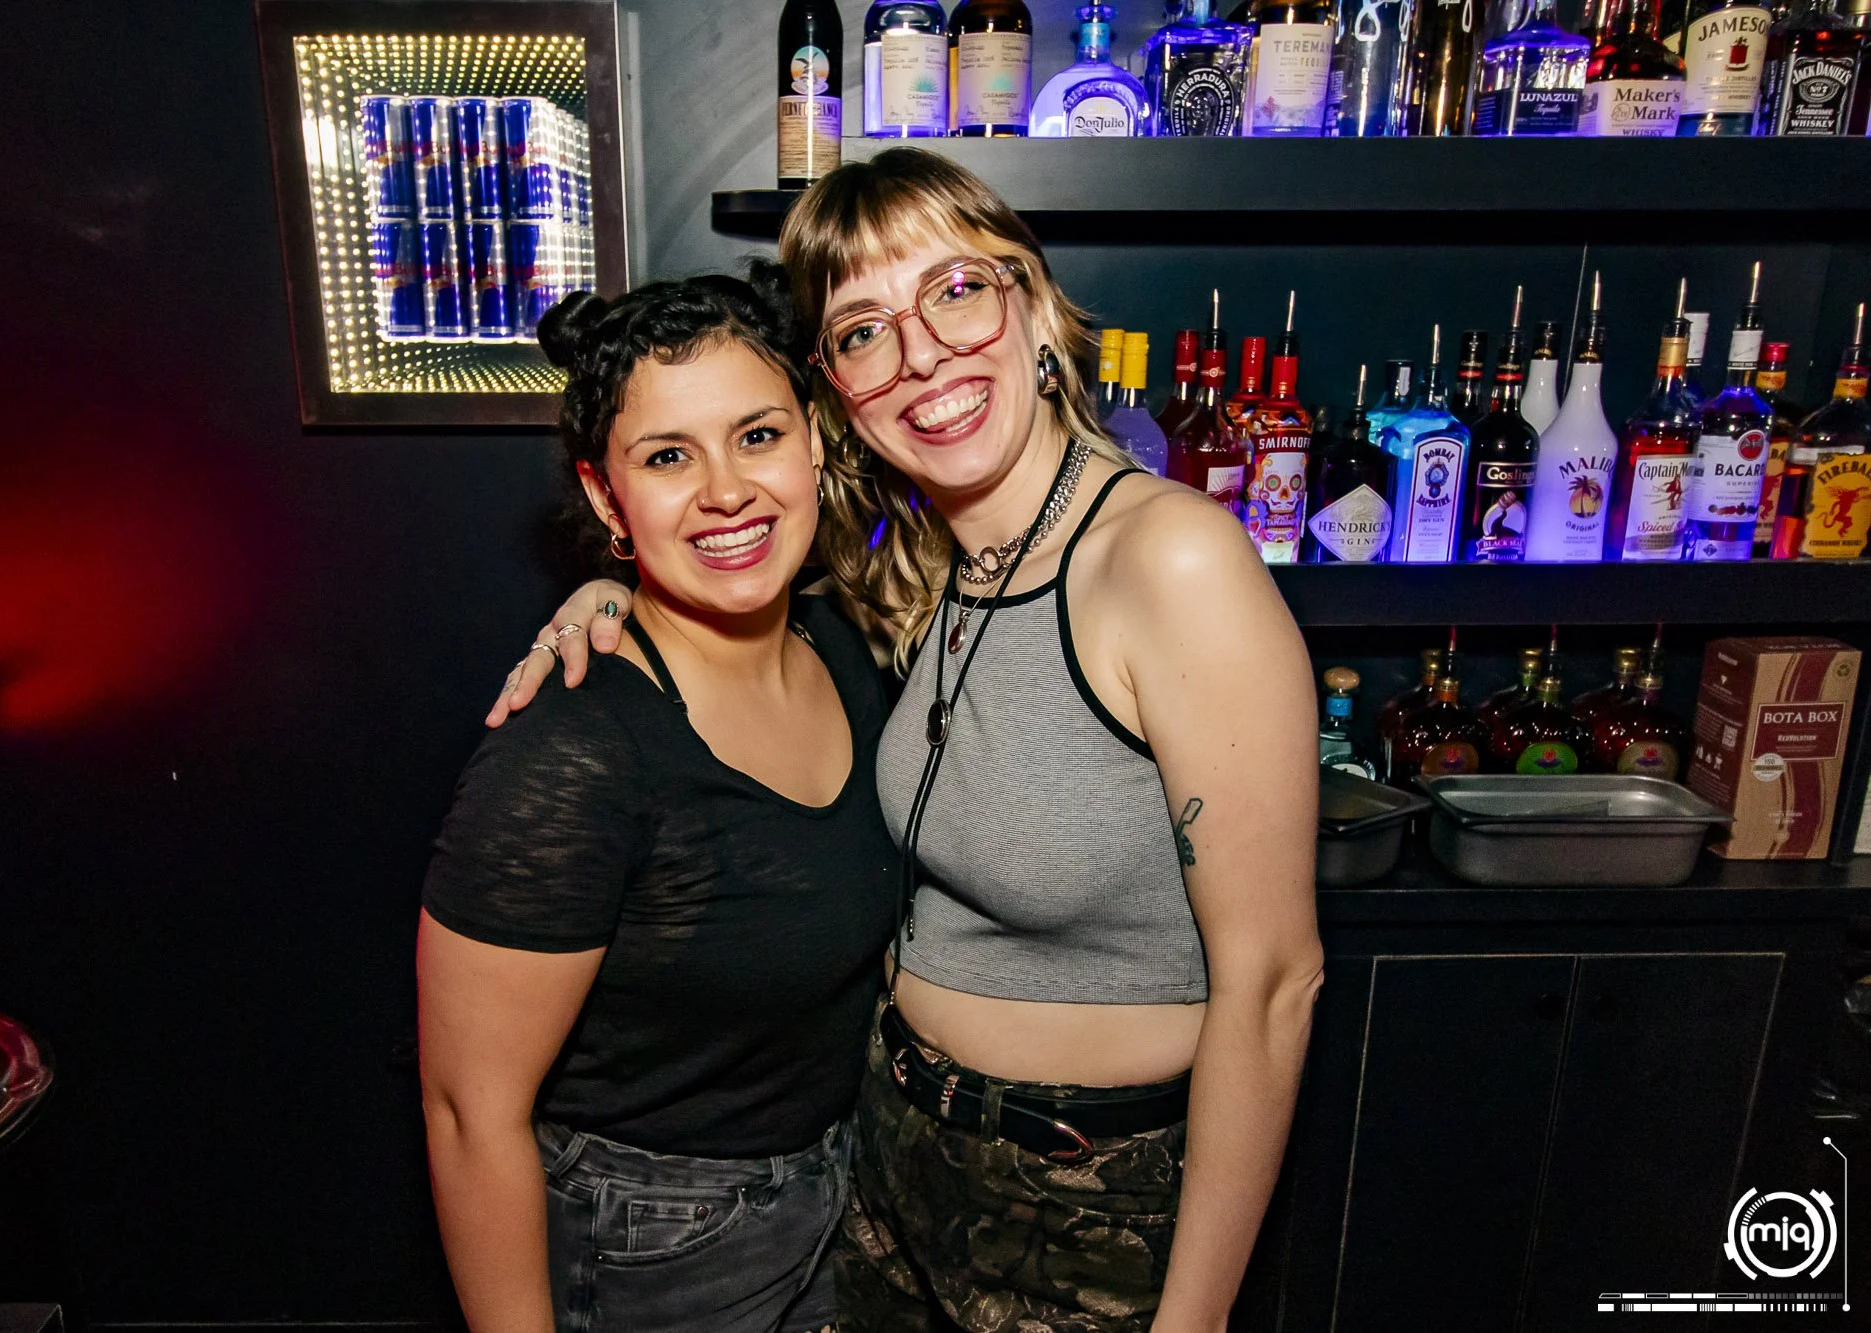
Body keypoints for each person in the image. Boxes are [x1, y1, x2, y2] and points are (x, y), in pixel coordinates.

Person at [493, 147, 1324, 1332]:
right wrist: (612, 593)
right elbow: (727, 553)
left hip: (1082, 1195)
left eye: (955, 291)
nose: (920, 354)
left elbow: (1274, 983)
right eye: (863, 330)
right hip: (887, 1164)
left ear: (1032, 304)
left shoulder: (1170, 559)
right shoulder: (925, 567)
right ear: (837, 388)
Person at [417, 272, 897, 1333]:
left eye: (758, 435)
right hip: (654, 1243)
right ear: (606, 497)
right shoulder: (572, 752)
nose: (726, 490)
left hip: (847, 1194)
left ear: (814, 441)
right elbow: (466, 1112)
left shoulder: (847, 645)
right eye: (668, 457)